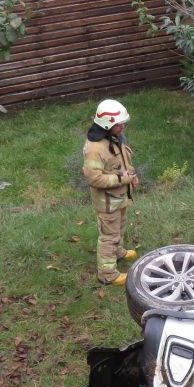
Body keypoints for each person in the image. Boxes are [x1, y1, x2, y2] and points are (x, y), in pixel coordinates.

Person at [82, 98, 139, 286]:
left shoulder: (115, 137)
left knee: (119, 228)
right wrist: (122, 179)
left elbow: (124, 160)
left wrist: (132, 175)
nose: (122, 127)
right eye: (118, 124)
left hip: (120, 198)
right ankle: (107, 273)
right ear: (107, 125)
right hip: (107, 203)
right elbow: (94, 178)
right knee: (109, 236)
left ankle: (118, 252)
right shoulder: (95, 149)